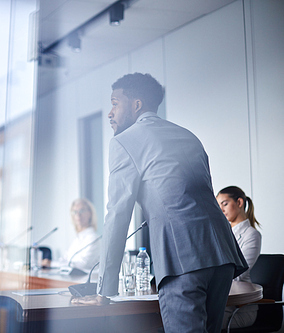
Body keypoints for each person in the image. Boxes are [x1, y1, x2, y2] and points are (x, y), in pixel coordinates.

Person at [73, 73, 248, 333]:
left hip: (182, 258)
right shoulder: (188, 135)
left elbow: (117, 216)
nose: (110, 113)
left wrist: (104, 290)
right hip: (222, 253)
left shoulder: (124, 142)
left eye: (115, 103)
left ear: (136, 104)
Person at [217, 186, 262, 329]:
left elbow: (238, 274)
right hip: (223, 303)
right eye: (218, 206)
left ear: (239, 202)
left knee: (198, 322)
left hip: (239, 309)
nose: (221, 210)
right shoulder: (222, 234)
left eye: (224, 204)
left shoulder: (251, 235)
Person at [65, 198, 100, 272]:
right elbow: (67, 259)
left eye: (82, 211)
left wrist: (66, 263)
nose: (78, 215)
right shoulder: (77, 239)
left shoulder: (93, 238)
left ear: (90, 213)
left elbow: (84, 264)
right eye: (74, 212)